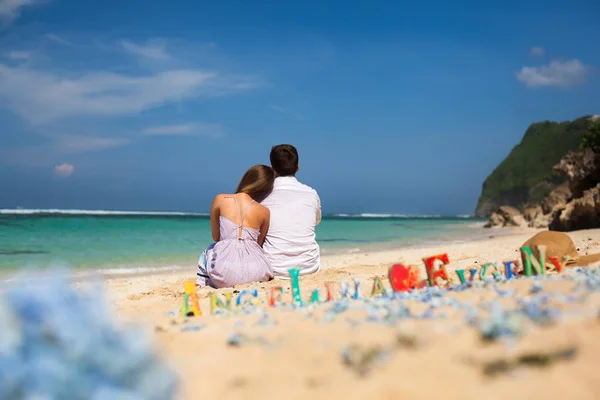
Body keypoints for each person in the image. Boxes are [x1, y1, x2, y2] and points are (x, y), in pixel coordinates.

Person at [196, 165, 274, 288]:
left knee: (209, 250)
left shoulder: (220, 199)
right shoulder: (264, 211)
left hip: (224, 276)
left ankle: (201, 283)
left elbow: (216, 237)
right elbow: (258, 245)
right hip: (258, 272)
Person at [261, 144, 322, 278]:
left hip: (273, 268)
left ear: (272, 168)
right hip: (309, 267)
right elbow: (316, 221)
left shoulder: (263, 195)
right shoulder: (311, 193)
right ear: (297, 167)